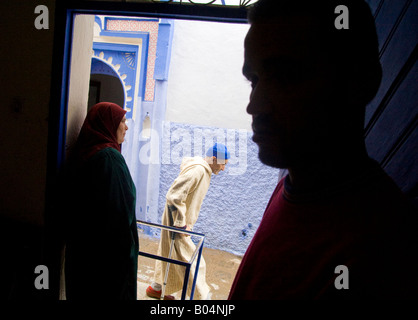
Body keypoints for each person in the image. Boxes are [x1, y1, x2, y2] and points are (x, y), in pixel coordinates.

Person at [229, 0, 418, 299]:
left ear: (361, 83)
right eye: (254, 80)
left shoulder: (380, 254)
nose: (255, 106)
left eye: (286, 76)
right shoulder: (290, 188)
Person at [61, 102, 139, 300]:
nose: (126, 126)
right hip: (105, 265)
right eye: (122, 121)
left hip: (82, 256)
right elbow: (119, 218)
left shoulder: (87, 152)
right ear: (108, 124)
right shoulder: (109, 158)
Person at [146, 143, 230, 300]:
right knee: (193, 262)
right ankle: (200, 299)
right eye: (223, 164)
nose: (223, 169)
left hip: (181, 223)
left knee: (169, 253)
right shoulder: (197, 170)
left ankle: (156, 288)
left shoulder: (204, 171)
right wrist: (180, 224)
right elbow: (173, 195)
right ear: (213, 159)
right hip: (178, 224)